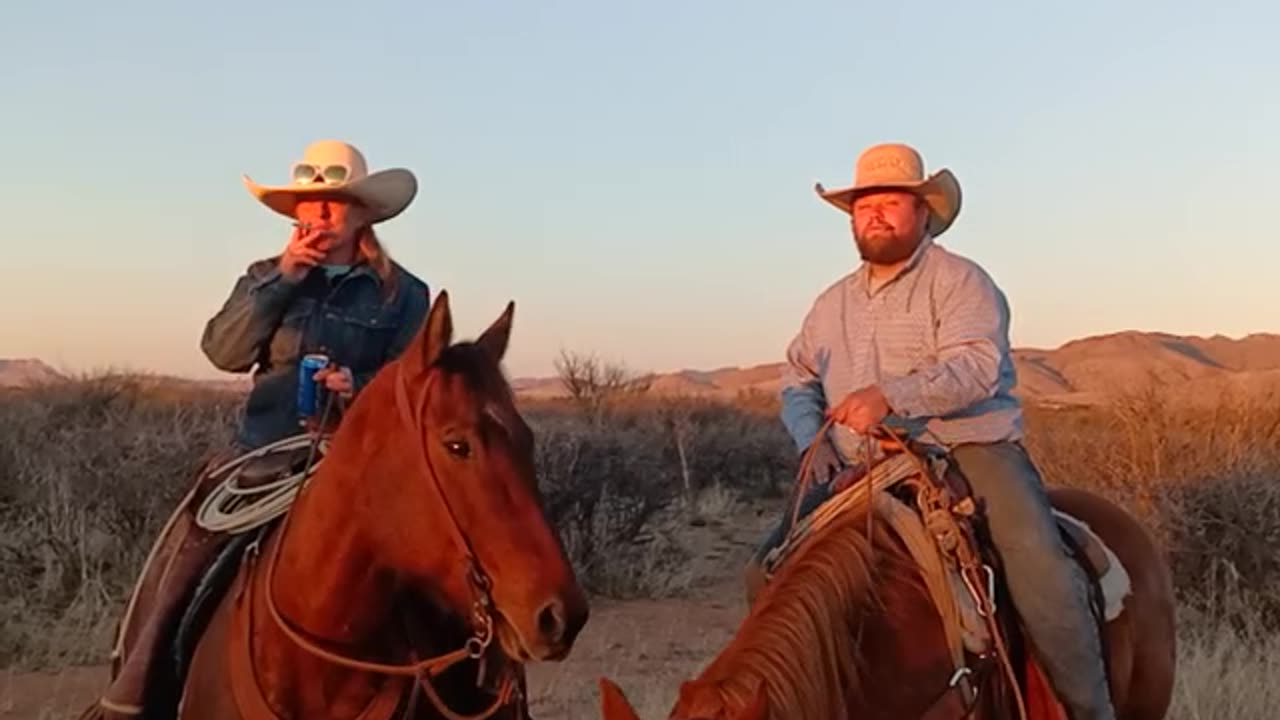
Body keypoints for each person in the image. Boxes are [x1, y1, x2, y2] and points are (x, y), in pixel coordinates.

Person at [748, 142, 1115, 720]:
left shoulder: (961, 281)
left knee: (1039, 568)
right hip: (859, 466)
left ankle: (1088, 710)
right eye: (864, 204)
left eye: (891, 202)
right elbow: (797, 376)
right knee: (768, 567)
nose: (875, 214)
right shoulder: (831, 303)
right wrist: (808, 443)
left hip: (967, 448)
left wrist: (890, 396)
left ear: (923, 212)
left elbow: (975, 364)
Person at [92, 139, 431, 718]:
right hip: (263, 458)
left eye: (335, 203)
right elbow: (223, 352)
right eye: (308, 203)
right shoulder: (262, 276)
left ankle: (477, 690)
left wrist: (361, 387)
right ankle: (134, 692)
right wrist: (284, 277)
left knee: (445, 562)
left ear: (362, 213)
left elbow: (417, 386)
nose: (319, 214)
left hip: (356, 460)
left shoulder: (404, 294)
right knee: (186, 561)